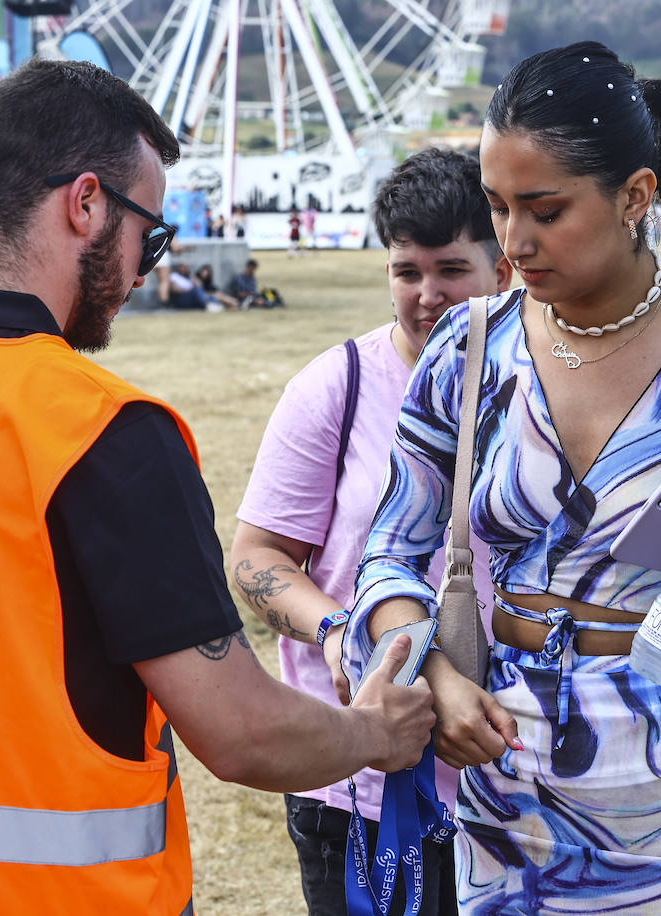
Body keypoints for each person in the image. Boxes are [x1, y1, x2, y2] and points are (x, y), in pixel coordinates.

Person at [0, 58, 435, 915]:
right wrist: (375, 731)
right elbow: (240, 732)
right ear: (85, 204)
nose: (143, 269)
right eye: (148, 236)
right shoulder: (101, 431)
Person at [345, 41, 661, 914]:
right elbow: (388, 549)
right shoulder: (469, 349)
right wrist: (433, 673)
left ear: (635, 196)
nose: (513, 242)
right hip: (503, 786)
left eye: (545, 209)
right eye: (497, 208)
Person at [232, 147, 512, 916]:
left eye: (452, 270)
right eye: (405, 272)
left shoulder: (550, 393)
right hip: (357, 785)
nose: (426, 296)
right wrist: (333, 629)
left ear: (505, 271)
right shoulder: (337, 387)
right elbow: (257, 556)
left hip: (521, 782)